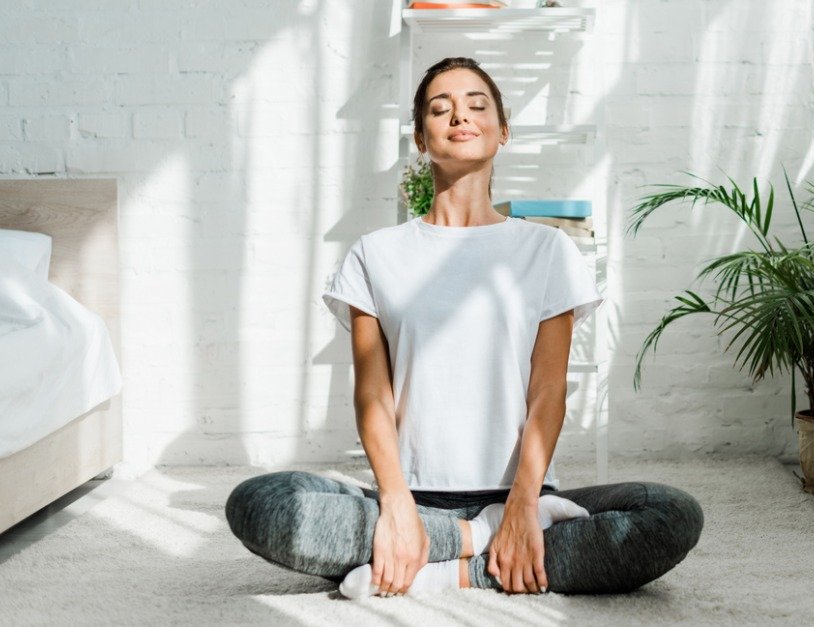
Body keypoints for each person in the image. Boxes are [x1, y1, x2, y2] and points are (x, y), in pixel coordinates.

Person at [224, 57, 704, 599]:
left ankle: (441, 565)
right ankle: (480, 541)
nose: (460, 115)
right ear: (420, 138)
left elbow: (548, 392)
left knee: (670, 514)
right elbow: (372, 396)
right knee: (260, 504)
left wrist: (522, 504)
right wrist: (397, 504)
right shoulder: (375, 254)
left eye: (477, 105)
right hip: (412, 494)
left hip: (523, 492)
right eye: (440, 108)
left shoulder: (548, 250)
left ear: (502, 131)